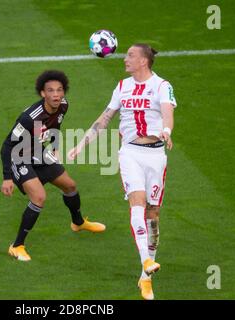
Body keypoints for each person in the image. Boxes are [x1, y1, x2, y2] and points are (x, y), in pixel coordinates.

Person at [68, 44, 177, 300]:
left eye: (130, 55)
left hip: (155, 155)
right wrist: (82, 144)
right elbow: (105, 118)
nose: (125, 59)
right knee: (137, 204)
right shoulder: (121, 86)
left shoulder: (162, 86)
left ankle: (145, 278)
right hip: (129, 153)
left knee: (153, 213)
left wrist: (167, 132)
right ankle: (146, 261)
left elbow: (167, 114)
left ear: (143, 61)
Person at [0, 70, 106, 262]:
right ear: (43, 94)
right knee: (39, 197)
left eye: (59, 90)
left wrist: (55, 148)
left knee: (70, 186)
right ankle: (16, 246)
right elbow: (7, 145)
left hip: (39, 153)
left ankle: (78, 222)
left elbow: (55, 126)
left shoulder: (63, 106)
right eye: (51, 91)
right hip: (20, 156)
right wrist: (7, 177)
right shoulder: (29, 118)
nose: (56, 94)